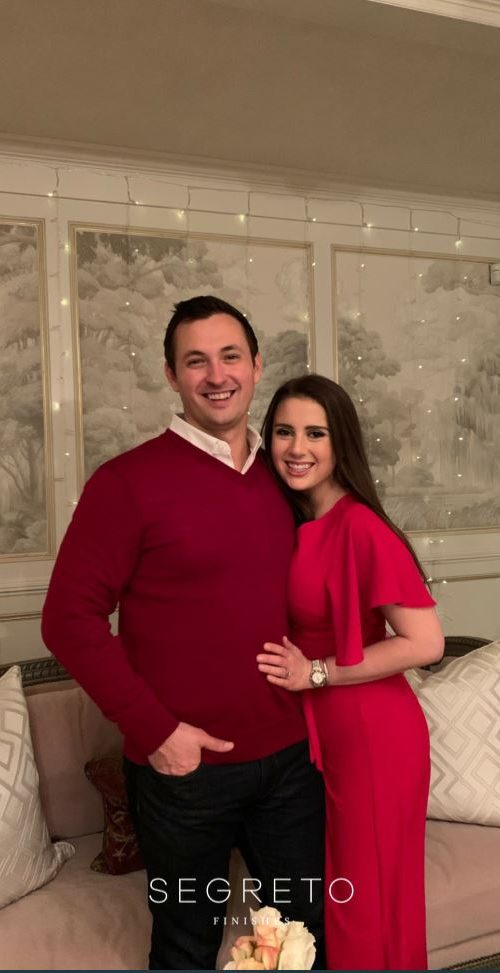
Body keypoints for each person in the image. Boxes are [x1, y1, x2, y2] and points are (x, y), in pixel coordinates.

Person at [41, 296, 325, 972]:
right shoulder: (127, 482)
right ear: (171, 375)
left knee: (302, 937)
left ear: (256, 366)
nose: (216, 375)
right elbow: (67, 619)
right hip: (182, 774)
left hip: (291, 761)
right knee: (186, 946)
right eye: (196, 361)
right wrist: (158, 733)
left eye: (230, 357)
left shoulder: (290, 477)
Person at [257, 374, 444, 972]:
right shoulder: (294, 519)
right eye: (284, 432)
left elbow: (426, 642)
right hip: (326, 733)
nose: (297, 448)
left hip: (372, 736)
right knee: (342, 895)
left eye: (316, 433)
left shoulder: (359, 526)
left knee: (362, 902)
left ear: (341, 443)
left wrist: (315, 672)